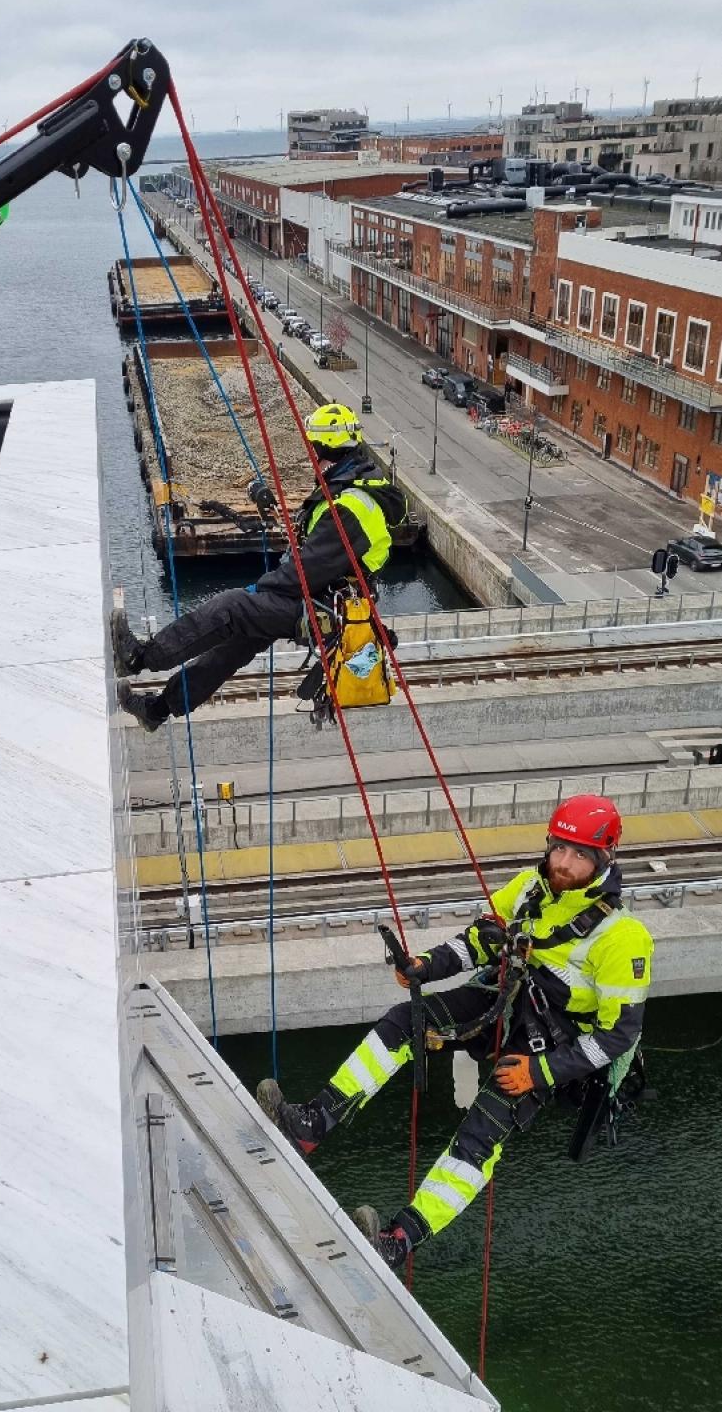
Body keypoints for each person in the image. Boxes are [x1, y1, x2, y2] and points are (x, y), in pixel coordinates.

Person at [257, 795, 652, 1269]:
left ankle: (398, 1240)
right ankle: (311, 1124)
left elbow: (617, 1037)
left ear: (604, 859)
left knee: (479, 1135)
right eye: (559, 849)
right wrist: (426, 965)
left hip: (554, 1043)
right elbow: (478, 941)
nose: (564, 864)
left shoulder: (623, 937)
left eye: (580, 855)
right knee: (407, 1021)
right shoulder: (531, 887)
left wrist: (538, 1072)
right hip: (508, 1002)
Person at [113, 403, 408, 731]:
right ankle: (157, 710)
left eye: (313, 448)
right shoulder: (351, 492)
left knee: (232, 607)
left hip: (319, 609)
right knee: (235, 646)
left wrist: (259, 591)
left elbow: (303, 573)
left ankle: (140, 657)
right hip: (323, 604)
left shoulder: (350, 508)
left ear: (324, 450)